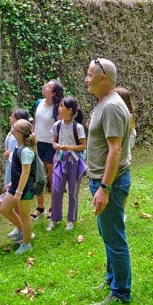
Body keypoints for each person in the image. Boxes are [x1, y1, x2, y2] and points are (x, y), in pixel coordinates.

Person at [85, 59, 133, 305]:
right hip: (101, 181)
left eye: (90, 74)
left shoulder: (112, 107)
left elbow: (115, 150)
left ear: (103, 78)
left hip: (109, 184)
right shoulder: (105, 104)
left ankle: (121, 293)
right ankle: (112, 278)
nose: (86, 79)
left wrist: (104, 188)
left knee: (115, 237)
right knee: (108, 233)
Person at [0, 119, 39, 255]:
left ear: (19, 133)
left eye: (14, 126)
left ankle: (26, 244)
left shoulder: (26, 151)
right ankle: (24, 233)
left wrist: (19, 191)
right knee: (5, 209)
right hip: (16, 186)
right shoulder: (18, 147)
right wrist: (13, 184)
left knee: (24, 215)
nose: (11, 126)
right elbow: (18, 171)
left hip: (24, 189)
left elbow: (26, 172)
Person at [49, 96, 87, 231]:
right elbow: (53, 141)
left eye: (61, 106)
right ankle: (54, 218)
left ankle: (71, 219)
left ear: (70, 110)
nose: (58, 108)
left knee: (73, 191)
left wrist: (69, 147)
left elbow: (83, 146)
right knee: (56, 189)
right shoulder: (57, 125)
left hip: (74, 161)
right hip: (60, 160)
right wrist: (56, 146)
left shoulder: (78, 127)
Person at [30, 81, 62, 222]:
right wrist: (31, 138)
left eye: (48, 86)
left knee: (51, 177)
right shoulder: (39, 103)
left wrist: (57, 144)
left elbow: (60, 127)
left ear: (54, 93)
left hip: (50, 145)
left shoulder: (57, 108)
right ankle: (40, 207)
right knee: (39, 176)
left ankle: (54, 208)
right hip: (38, 143)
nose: (44, 86)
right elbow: (35, 123)